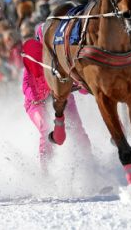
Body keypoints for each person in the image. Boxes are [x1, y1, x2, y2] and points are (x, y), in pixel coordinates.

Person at [21, 23, 91, 171]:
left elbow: (78, 80)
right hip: (36, 102)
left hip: (61, 97)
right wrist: (36, 95)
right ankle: (46, 172)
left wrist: (84, 86)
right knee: (45, 129)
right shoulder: (34, 55)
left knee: (77, 128)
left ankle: (90, 164)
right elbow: (26, 84)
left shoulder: (62, 56)